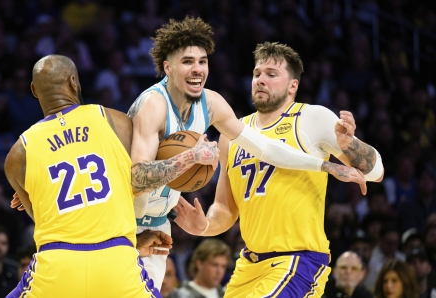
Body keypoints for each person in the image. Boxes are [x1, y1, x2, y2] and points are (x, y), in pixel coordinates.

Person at [129, 16, 369, 291]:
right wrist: (189, 158)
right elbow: (137, 178)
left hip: (159, 229)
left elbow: (267, 149)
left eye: (202, 61)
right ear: (167, 68)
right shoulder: (154, 105)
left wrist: (328, 167)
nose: (197, 70)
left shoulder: (212, 104)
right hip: (127, 225)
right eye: (187, 62)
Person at [172, 41, 385, 297]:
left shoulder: (312, 118)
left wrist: (349, 146)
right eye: (256, 74)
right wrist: (204, 225)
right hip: (248, 266)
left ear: (292, 85)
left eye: (271, 75)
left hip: (298, 261)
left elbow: (377, 173)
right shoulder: (233, 132)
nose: (261, 80)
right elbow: (226, 208)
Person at [3, 54, 163, 297]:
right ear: (74, 82)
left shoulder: (17, 155)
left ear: (34, 91)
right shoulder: (115, 120)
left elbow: (42, 216)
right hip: (116, 258)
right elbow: (140, 181)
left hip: (58, 265)